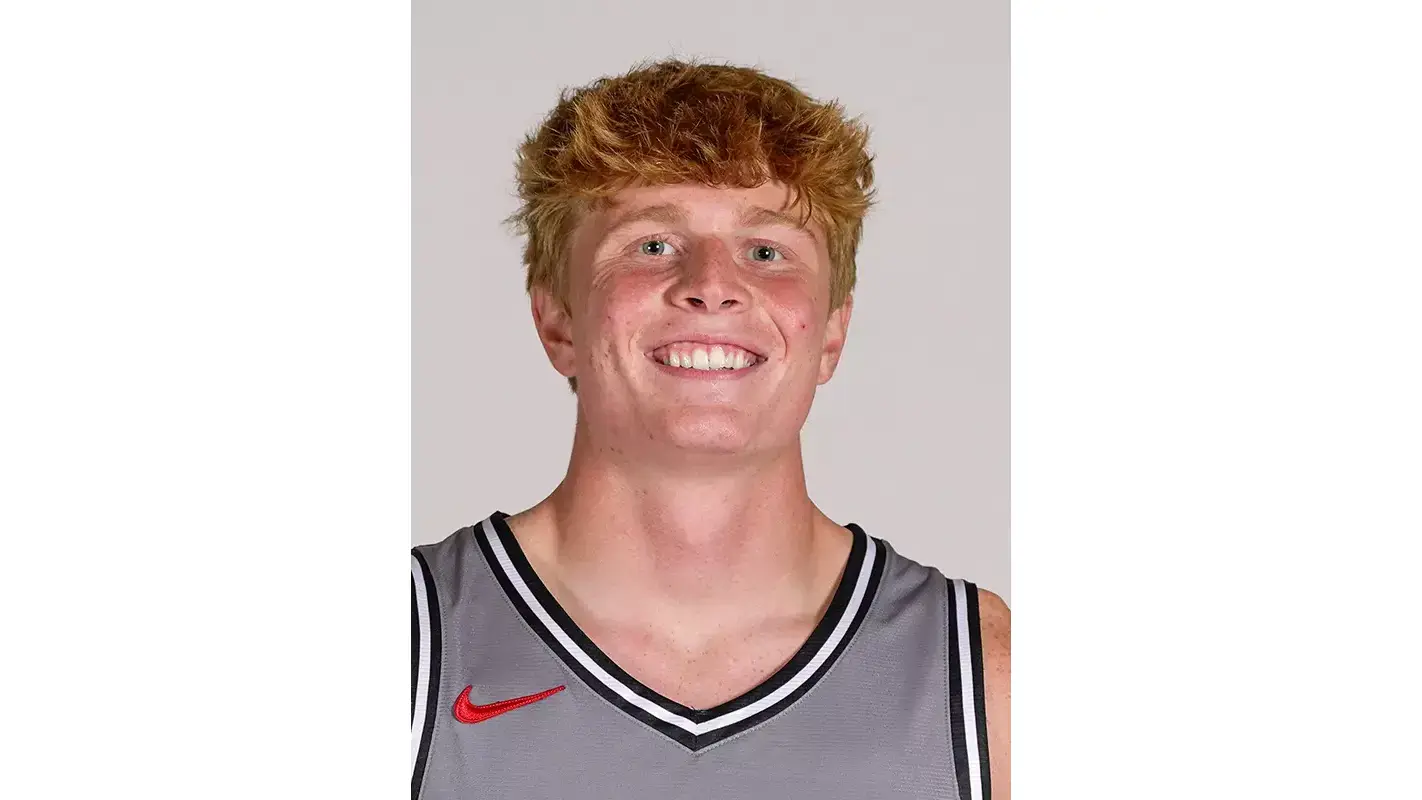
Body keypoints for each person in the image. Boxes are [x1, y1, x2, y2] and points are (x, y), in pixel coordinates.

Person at [411, 58, 1010, 800]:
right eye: (652, 245)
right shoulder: (409, 648)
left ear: (831, 333)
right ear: (557, 321)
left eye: (767, 252)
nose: (713, 285)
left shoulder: (986, 679)